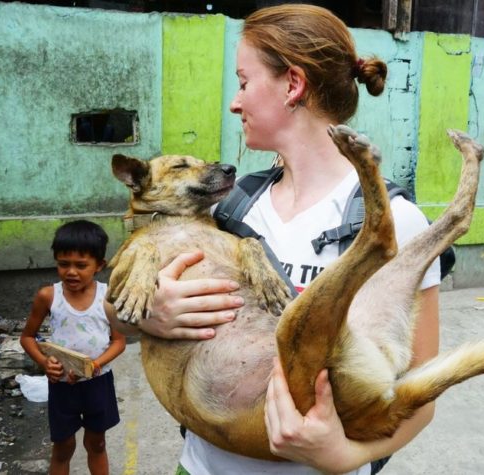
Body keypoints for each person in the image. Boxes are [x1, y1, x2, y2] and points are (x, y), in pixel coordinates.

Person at [144, 4, 441, 474]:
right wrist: (146, 314)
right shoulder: (227, 205)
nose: (234, 103)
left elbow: (421, 389)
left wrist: (349, 456)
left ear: (293, 85)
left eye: (243, 82)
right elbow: (120, 305)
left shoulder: (395, 223)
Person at [20, 220, 126, 475]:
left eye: (81, 265)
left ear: (99, 266)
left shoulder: (107, 297)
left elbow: (119, 341)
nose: (71, 272)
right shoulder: (48, 296)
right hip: (62, 386)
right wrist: (45, 363)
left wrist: (95, 365)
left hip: (97, 383)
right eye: (63, 264)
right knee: (63, 446)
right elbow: (27, 337)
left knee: (96, 443)